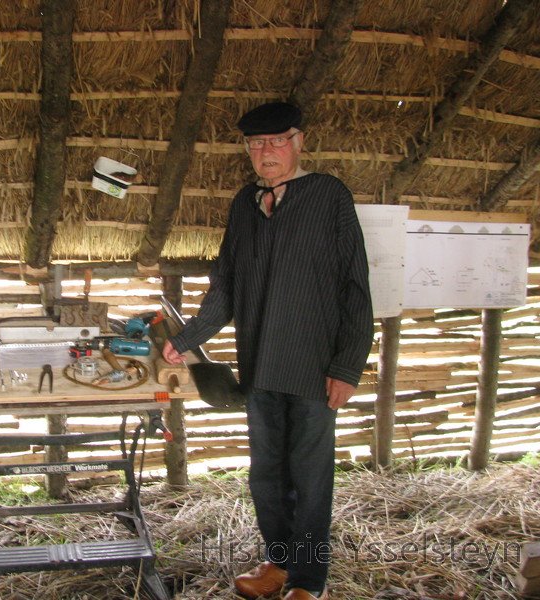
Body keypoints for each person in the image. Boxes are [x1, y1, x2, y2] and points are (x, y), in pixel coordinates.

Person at [162, 101, 374, 600]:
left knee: (310, 477)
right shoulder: (245, 204)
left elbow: (355, 287)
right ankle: (278, 563)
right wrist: (187, 338)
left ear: (299, 141)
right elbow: (226, 286)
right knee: (267, 476)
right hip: (260, 366)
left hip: (313, 368)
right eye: (256, 144)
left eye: (276, 141)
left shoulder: (328, 196)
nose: (266, 152)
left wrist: (347, 366)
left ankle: (308, 580)